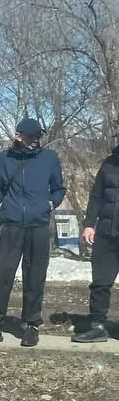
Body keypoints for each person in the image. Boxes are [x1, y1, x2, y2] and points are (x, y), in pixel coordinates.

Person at [0, 118, 65, 348]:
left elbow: (59, 189)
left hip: (38, 224)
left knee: (35, 275)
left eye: (38, 137)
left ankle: (31, 325)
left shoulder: (49, 158)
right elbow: (1, 187)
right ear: (18, 136)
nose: (35, 141)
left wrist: (50, 204)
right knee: (2, 275)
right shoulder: (4, 159)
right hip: (11, 223)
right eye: (31, 137)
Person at [71, 146, 119, 343]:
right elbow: (96, 196)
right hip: (107, 233)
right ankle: (97, 326)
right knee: (100, 283)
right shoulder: (109, 163)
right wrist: (89, 224)